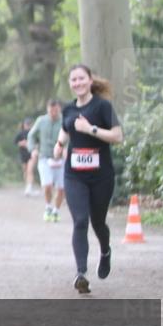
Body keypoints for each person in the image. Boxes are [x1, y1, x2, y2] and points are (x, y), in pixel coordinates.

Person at [52, 65, 123, 295]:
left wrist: (90, 129)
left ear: (90, 81)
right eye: (73, 80)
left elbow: (117, 136)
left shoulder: (102, 106)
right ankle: (81, 274)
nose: (78, 83)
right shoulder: (68, 109)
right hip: (74, 175)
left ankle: (105, 251)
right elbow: (66, 129)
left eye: (81, 78)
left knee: (98, 222)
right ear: (70, 84)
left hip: (101, 176)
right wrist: (59, 145)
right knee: (80, 220)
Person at [28, 99, 65, 222]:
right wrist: (33, 149)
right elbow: (31, 136)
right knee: (47, 185)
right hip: (44, 157)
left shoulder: (65, 120)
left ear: (59, 109)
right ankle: (48, 207)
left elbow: (73, 137)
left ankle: (56, 211)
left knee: (61, 188)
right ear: (47, 110)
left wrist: (68, 149)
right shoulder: (41, 121)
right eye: (51, 111)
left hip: (61, 158)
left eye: (55, 111)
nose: (53, 113)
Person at [15, 117, 37, 196]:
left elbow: (38, 143)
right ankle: (28, 186)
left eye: (29, 124)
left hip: (31, 154)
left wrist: (31, 145)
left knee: (29, 170)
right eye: (26, 124)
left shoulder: (34, 133)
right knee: (25, 171)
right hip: (23, 154)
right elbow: (16, 142)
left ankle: (29, 188)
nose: (28, 125)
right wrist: (22, 143)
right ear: (23, 125)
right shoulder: (20, 134)